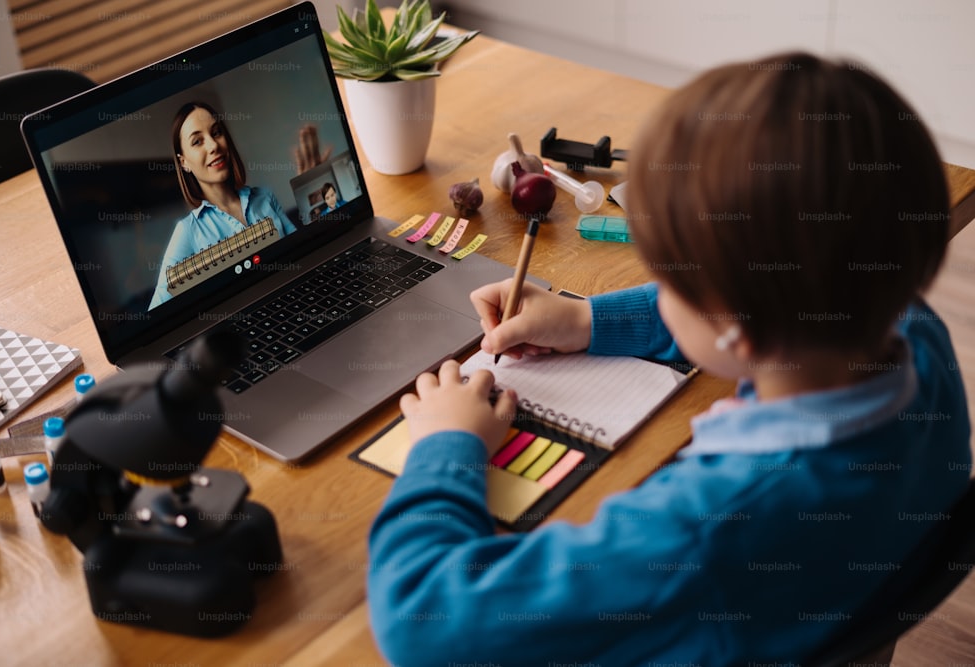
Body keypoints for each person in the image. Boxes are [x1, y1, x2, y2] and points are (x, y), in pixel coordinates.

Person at [365, 53, 972, 665]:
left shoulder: (699, 534)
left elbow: (422, 622)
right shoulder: (916, 334)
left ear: (734, 327)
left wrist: (444, 447)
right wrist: (587, 318)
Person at [149, 102, 329, 309]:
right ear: (184, 163)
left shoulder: (264, 197)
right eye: (197, 141)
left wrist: (309, 189)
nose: (213, 145)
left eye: (216, 133)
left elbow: (304, 256)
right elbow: (155, 314)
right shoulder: (187, 232)